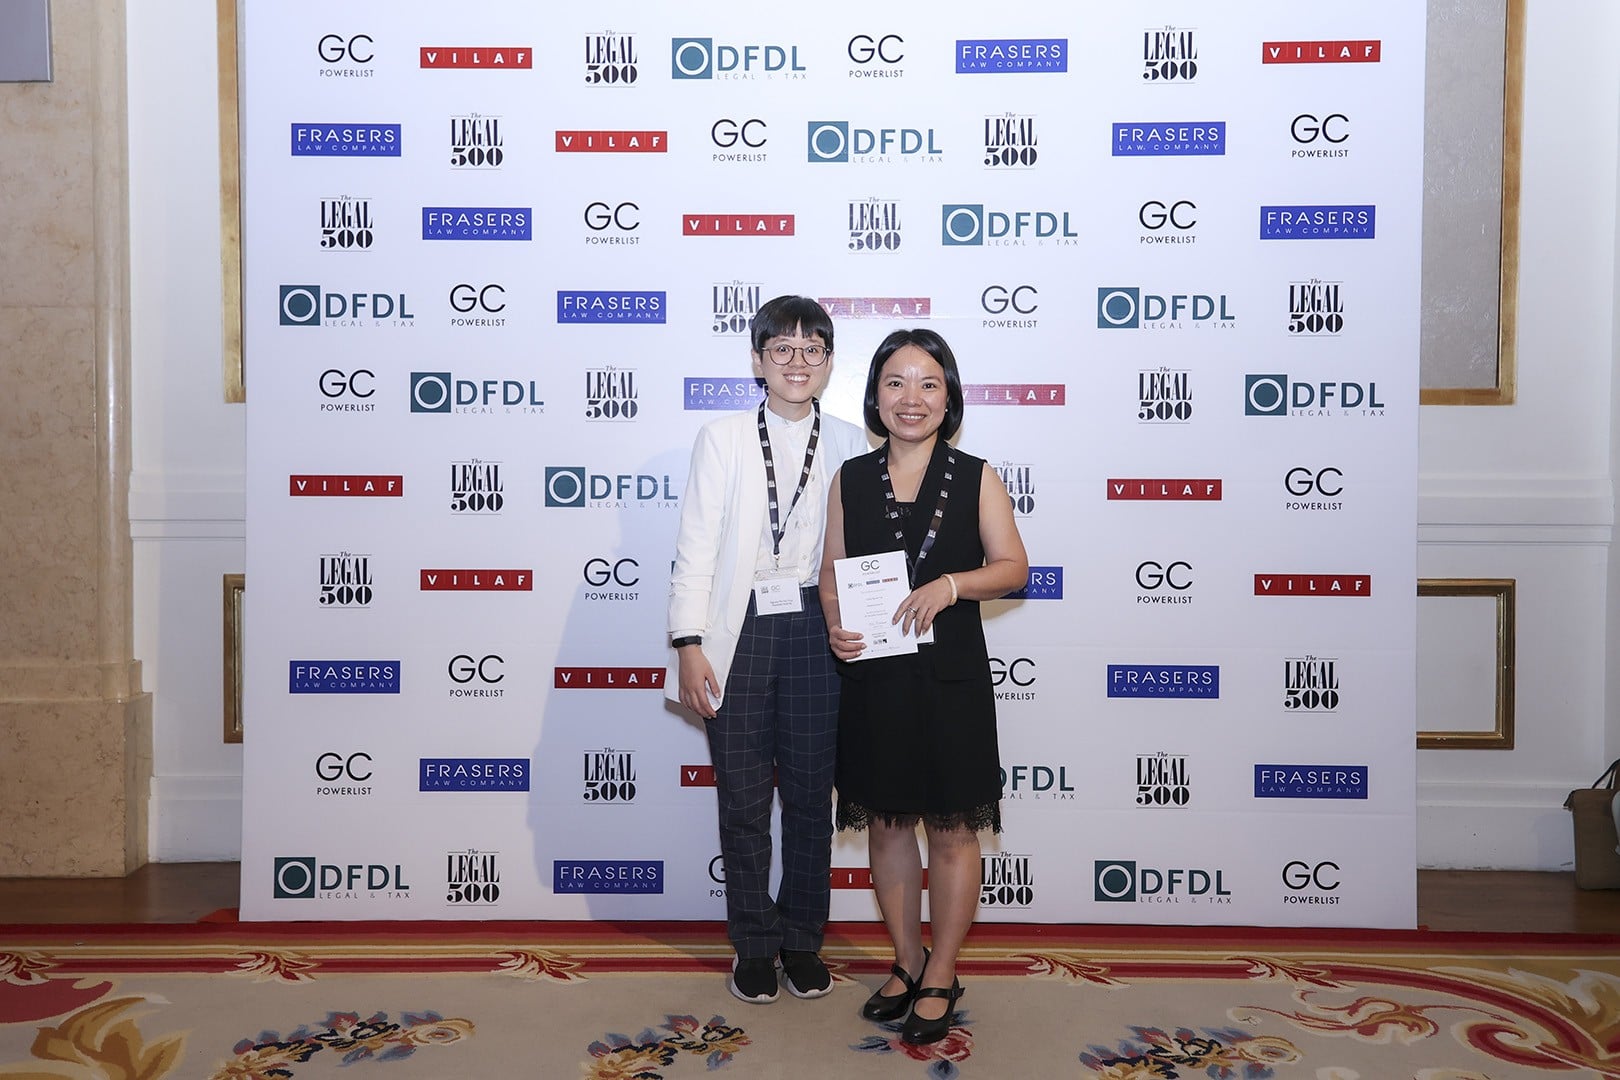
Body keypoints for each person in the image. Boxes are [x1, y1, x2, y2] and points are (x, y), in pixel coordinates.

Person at [818, 328, 1029, 1045]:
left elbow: (1014, 568)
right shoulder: (850, 478)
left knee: (952, 829)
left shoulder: (976, 476)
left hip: (950, 679)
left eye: (928, 383)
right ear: (875, 395)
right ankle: (906, 960)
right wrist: (835, 623)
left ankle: (942, 968)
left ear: (949, 397)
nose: (912, 398)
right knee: (886, 824)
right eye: (896, 382)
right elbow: (831, 571)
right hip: (875, 678)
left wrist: (951, 585)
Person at [667, 295, 870, 1005]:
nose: (797, 361)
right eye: (782, 348)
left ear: (829, 362)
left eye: (812, 349)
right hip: (741, 629)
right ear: (757, 360)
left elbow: (867, 551)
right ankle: (754, 945)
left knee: (813, 798)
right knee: (745, 800)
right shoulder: (721, 438)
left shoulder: (851, 442)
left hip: (820, 628)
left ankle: (803, 941)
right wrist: (689, 643)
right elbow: (695, 547)